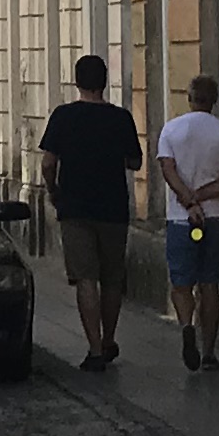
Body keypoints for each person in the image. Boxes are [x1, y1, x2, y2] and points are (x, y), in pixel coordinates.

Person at [35, 55, 146, 369]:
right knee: (112, 279)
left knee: (86, 278)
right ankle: (109, 339)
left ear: (77, 81)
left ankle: (95, 349)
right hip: (113, 208)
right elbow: (135, 161)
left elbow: (48, 163)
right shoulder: (121, 118)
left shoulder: (63, 116)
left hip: (75, 208)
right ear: (105, 82)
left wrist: (53, 189)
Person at [157, 75, 219, 374]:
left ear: (189, 97)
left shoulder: (171, 129)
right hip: (216, 217)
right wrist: (204, 196)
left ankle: (187, 326)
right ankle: (208, 353)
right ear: (215, 100)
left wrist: (188, 199)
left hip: (181, 219)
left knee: (181, 284)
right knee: (210, 285)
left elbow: (168, 170)